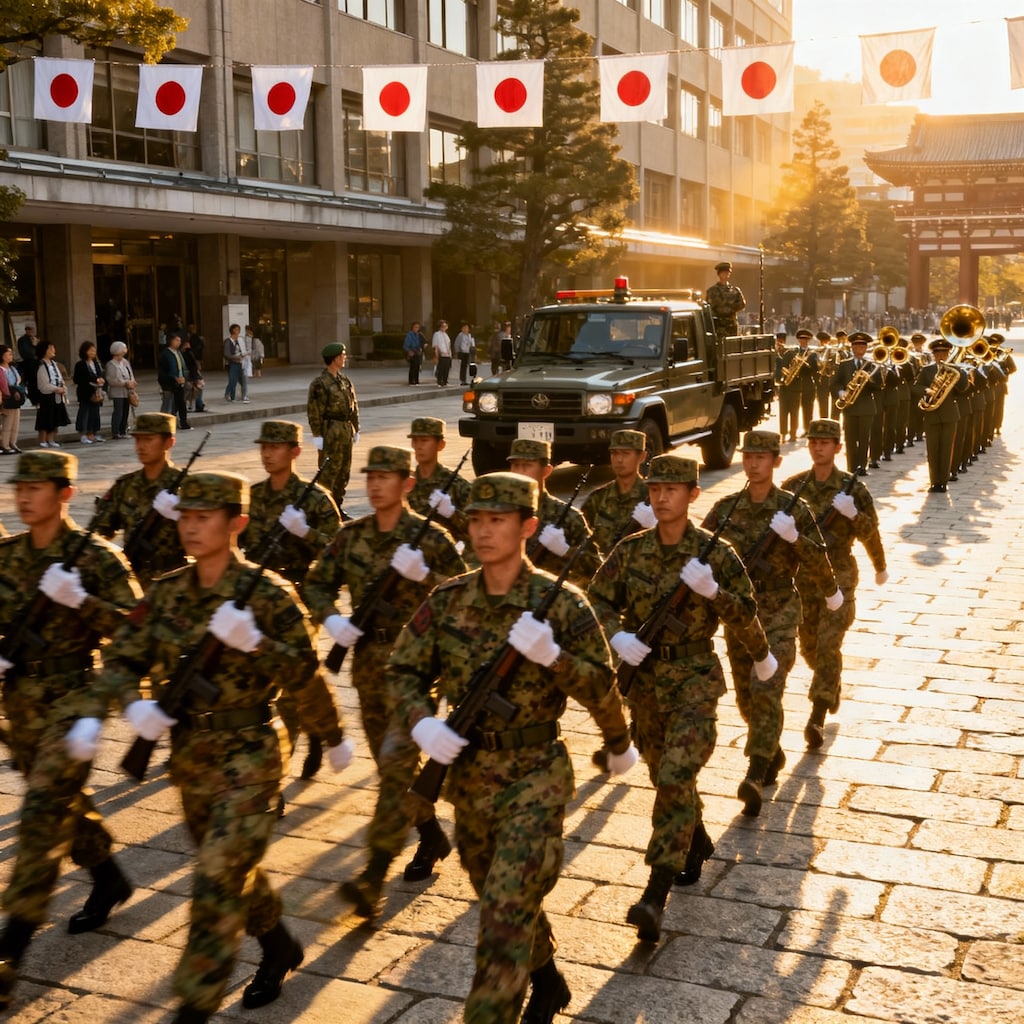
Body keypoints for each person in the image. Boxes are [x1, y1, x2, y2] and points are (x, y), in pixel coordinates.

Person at [97, 471, 351, 1024]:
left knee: (214, 882)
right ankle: (279, 943)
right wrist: (133, 704)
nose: (189, 527)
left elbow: (305, 672)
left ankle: (193, 1006)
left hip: (253, 754)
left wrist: (328, 733)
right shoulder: (164, 592)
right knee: (231, 868)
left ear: (236, 523)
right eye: (184, 516)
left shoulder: (267, 593)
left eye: (203, 517)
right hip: (191, 756)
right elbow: (119, 659)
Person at [390, 471, 638, 1024]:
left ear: (527, 527)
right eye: (475, 520)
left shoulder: (563, 604)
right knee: (499, 899)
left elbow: (603, 685)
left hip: (536, 778)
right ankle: (547, 982)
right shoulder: (448, 600)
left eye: (496, 520)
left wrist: (555, 659)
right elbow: (403, 670)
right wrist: (421, 721)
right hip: (469, 779)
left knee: (502, 917)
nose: (482, 532)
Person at [588, 455, 773, 943]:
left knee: (674, 776)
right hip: (644, 683)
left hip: (694, 681)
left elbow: (747, 611)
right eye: (655, 489)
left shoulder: (716, 553)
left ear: (693, 495)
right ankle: (696, 840)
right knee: (660, 772)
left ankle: (655, 891)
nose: (661, 496)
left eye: (673, 489)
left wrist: (714, 595)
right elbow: (596, 600)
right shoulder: (630, 551)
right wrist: (617, 635)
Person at [0, 450, 141, 1010]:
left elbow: (137, 631)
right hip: (23, 704)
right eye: (19, 486)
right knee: (58, 801)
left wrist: (83, 600)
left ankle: (10, 949)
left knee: (40, 817)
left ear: (65, 493)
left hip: (76, 699)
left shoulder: (96, 557)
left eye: (37, 487)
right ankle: (108, 876)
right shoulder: (7, 557)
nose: (24, 495)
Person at [302, 445, 465, 913]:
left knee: (395, 766)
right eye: (370, 475)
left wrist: (430, 575)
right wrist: (332, 620)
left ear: (408, 484)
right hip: (369, 667)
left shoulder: (429, 538)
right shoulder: (351, 536)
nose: (374, 483)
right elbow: (315, 583)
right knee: (392, 767)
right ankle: (431, 834)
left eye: (386, 476)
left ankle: (373, 875)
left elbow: (466, 595)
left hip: (417, 669)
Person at [702, 429, 841, 817]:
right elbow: (699, 550)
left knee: (766, 687)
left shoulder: (792, 509)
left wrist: (795, 538)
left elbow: (818, 560)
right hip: (740, 612)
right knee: (747, 699)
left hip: (779, 609)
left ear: (776, 462)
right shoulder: (727, 508)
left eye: (761, 457)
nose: (753, 463)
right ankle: (772, 749)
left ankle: (755, 770)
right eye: (748, 456)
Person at [239, 420, 341, 779]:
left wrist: (306, 532)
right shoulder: (251, 496)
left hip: (300, 600)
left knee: (291, 683)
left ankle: (276, 775)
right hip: (258, 600)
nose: (267, 453)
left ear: (295, 452)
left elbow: (339, 548)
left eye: (275, 447)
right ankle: (308, 732)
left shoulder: (314, 498)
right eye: (263, 446)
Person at [782, 419, 888, 750]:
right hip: (804, 578)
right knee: (810, 646)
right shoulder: (793, 486)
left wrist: (855, 517)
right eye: (813, 442)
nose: (817, 447)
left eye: (825, 443)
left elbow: (871, 532)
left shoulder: (853, 490)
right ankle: (831, 681)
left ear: (838, 448)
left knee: (828, 645)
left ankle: (816, 716)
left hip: (839, 575)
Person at [97, 413, 189, 581]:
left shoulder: (187, 487)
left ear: (169, 442)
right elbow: (99, 533)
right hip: (132, 581)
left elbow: (204, 540)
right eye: (138, 440)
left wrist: (182, 517)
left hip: (173, 583)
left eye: (148, 440)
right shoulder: (125, 486)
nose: (140, 446)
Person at [507, 438, 601, 585]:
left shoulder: (568, 517)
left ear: (546, 471)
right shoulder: (500, 514)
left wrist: (566, 551)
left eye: (527, 466)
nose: (520, 472)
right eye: (515, 465)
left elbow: (596, 569)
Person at [580, 428, 654, 560]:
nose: (619, 460)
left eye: (626, 454)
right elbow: (581, 539)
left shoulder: (653, 498)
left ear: (642, 456)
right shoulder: (598, 498)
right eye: (614, 453)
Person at [407, 416, 473, 555]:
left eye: (425, 441)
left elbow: (476, 528)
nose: (419, 446)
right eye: (415, 441)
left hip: (446, 556)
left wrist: (452, 513)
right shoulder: (406, 483)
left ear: (441, 445)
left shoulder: (457, 485)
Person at [307, 341, 360, 514]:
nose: (344, 358)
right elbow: (314, 411)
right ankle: (325, 511)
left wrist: (356, 428)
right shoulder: (320, 383)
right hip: (330, 431)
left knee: (344, 471)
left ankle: (337, 507)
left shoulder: (344, 380)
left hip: (345, 430)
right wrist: (317, 435)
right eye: (342, 355)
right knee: (329, 472)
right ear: (334, 358)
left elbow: (353, 405)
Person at [912, 337, 969, 494]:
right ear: (933, 355)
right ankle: (934, 482)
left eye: (944, 353)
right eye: (938, 353)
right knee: (933, 449)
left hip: (949, 414)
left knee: (946, 449)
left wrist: (959, 372)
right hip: (931, 413)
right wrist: (926, 390)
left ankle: (943, 482)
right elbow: (915, 387)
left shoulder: (955, 369)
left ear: (948, 353)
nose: (941, 356)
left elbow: (964, 388)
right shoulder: (927, 370)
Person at [830, 331, 879, 477]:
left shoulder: (871, 365)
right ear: (852, 348)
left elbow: (879, 386)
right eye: (856, 346)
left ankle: (862, 467)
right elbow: (834, 384)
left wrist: (868, 379)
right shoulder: (844, 365)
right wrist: (841, 393)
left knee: (864, 439)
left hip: (866, 407)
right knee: (850, 439)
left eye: (862, 346)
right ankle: (851, 468)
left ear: (866, 348)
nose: (859, 349)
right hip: (850, 407)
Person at [34, 340, 70, 449]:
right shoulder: (40, 365)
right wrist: (56, 389)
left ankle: (52, 439)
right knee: (45, 419)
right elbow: (43, 385)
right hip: (46, 396)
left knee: (55, 419)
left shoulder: (54, 364)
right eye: (50, 348)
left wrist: (63, 387)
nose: (53, 350)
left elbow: (60, 378)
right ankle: (42, 439)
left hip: (57, 396)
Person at [72, 340, 106, 445]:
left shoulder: (96, 363)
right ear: (85, 351)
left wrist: (101, 379)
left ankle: (92, 433)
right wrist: (95, 379)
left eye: (94, 350)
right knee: (84, 413)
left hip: (96, 392)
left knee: (94, 413)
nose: (93, 352)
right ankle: (83, 434)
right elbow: (77, 379)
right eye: (90, 350)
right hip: (85, 392)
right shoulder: (80, 364)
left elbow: (101, 374)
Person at [158, 331, 190, 430]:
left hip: (180, 382)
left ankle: (183, 422)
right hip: (169, 383)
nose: (178, 342)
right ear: (171, 341)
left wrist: (184, 377)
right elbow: (164, 371)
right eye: (176, 340)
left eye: (179, 340)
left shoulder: (179, 353)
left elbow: (182, 367)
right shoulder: (166, 354)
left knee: (180, 404)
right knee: (167, 404)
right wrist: (174, 378)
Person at [104, 341, 136, 439]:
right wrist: (125, 383)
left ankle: (123, 430)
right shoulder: (111, 364)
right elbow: (111, 380)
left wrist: (132, 382)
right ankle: (116, 431)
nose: (124, 351)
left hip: (127, 391)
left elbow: (130, 374)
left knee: (126, 410)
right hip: (117, 392)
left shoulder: (125, 362)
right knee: (119, 411)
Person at [706, 261, 746, 339]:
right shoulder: (712, 291)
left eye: (727, 272)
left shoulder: (735, 291)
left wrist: (729, 309)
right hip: (717, 326)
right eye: (723, 273)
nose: (725, 274)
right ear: (719, 274)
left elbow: (742, 304)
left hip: (731, 326)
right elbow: (708, 308)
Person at [0, 345, 25, 454]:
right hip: (8, 399)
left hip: (16, 399)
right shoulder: (1, 369)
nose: (11, 356)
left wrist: (18, 391)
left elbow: (18, 381)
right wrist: (11, 393)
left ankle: (13, 443)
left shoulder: (13, 368)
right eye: (8, 353)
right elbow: (3, 385)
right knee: (7, 424)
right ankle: (5, 445)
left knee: (15, 423)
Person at [223, 323, 248, 403]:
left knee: (243, 380)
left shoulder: (240, 340)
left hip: (241, 362)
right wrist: (235, 357)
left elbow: (243, 350)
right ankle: (231, 396)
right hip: (232, 363)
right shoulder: (228, 341)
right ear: (233, 330)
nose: (238, 331)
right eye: (237, 329)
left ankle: (244, 395)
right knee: (233, 380)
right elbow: (227, 354)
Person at [181, 335, 205, 414]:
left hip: (191, 374)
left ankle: (197, 405)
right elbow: (192, 365)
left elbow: (194, 365)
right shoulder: (186, 353)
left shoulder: (187, 352)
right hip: (189, 375)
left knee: (195, 390)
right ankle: (195, 405)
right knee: (190, 391)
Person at [403, 320, 426, 386]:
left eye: (418, 327)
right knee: (413, 367)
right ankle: (411, 380)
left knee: (417, 367)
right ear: (412, 327)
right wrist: (409, 351)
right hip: (412, 351)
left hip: (418, 352)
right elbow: (406, 345)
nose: (416, 329)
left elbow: (422, 342)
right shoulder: (409, 335)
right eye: (415, 327)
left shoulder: (418, 335)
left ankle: (416, 380)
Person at [432, 320, 453, 387]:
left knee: (446, 368)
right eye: (443, 326)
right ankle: (440, 381)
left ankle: (445, 380)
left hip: (447, 354)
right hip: (441, 354)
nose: (444, 327)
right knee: (441, 368)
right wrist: (436, 354)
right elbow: (436, 345)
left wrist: (450, 354)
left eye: (445, 326)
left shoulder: (446, 335)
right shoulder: (437, 334)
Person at [455, 321, 476, 386]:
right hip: (462, 352)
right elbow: (456, 344)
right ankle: (462, 380)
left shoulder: (469, 335)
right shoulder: (460, 335)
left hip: (468, 352)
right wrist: (457, 351)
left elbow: (472, 344)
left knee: (468, 366)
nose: (465, 329)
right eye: (464, 328)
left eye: (467, 328)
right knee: (462, 367)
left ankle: (470, 379)